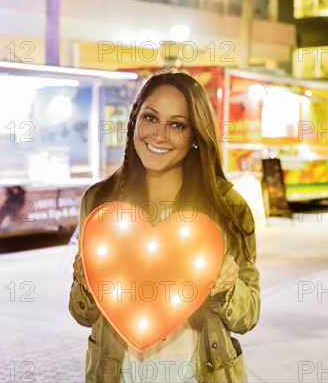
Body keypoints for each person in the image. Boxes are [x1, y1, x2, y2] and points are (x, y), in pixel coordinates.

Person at [69, 70, 260, 382]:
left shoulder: (228, 207)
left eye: (177, 125)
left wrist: (227, 287)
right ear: (134, 121)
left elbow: (248, 315)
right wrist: (85, 285)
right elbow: (82, 315)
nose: (158, 134)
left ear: (196, 136)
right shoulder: (101, 203)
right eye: (151, 118)